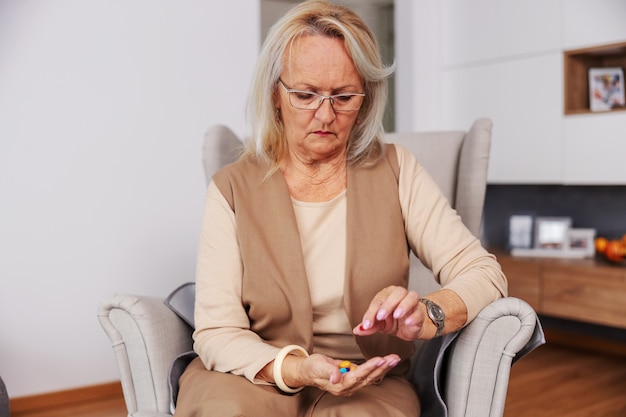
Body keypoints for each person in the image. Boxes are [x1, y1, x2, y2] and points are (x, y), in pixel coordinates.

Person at [175, 1, 507, 416]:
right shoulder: (232, 188)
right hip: (254, 372)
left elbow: (484, 273)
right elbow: (217, 331)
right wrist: (296, 368)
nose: (326, 115)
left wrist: (427, 314)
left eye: (344, 96)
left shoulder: (397, 169)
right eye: (306, 95)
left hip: (371, 379)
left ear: (366, 100)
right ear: (275, 95)